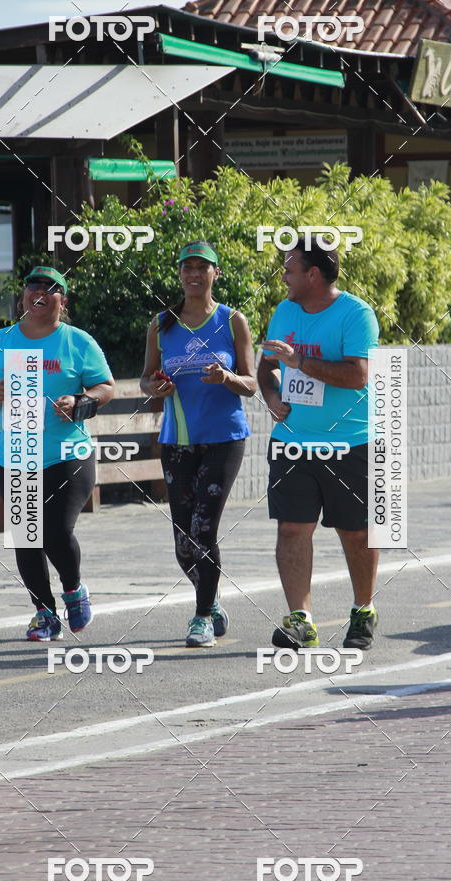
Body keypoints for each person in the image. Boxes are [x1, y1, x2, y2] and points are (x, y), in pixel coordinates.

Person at [0, 265, 114, 640]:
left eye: (51, 288)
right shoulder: (0, 341)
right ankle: (44, 613)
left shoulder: (78, 342)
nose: (40, 292)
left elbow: (106, 387)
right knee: (25, 536)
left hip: (67, 453)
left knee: (54, 529)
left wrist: (80, 401)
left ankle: (74, 588)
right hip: (15, 455)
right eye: (33, 286)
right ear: (23, 298)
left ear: (62, 302)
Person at [257, 236, 380, 651]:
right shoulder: (284, 311)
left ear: (312, 274)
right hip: (292, 440)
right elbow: (266, 367)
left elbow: (357, 375)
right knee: (292, 529)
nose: (283, 277)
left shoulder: (356, 314)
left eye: (289, 269)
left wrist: (300, 362)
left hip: (350, 442)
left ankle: (363, 611)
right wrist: (271, 396)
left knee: (356, 532)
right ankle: (301, 621)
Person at [140, 240, 256, 648]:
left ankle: (202, 616)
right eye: (187, 267)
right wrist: (155, 386)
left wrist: (227, 378)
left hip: (224, 438)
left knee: (203, 529)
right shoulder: (161, 324)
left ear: (215, 274)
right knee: (183, 541)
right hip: (177, 441)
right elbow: (146, 378)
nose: (193, 274)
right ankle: (212, 597)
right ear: (180, 274)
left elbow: (251, 384)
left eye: (201, 267)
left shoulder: (232, 320)